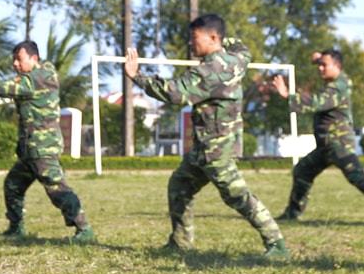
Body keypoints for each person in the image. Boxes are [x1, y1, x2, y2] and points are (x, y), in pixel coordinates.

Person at [124, 14, 290, 260]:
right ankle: (181, 242)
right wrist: (224, 40)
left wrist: (137, 76)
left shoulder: (208, 70)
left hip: (216, 149)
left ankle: (277, 244)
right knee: (180, 186)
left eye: (194, 38)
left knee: (238, 196)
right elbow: (242, 48)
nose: (190, 44)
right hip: (205, 148)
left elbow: (175, 93)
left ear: (212, 38)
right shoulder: (237, 59)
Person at [0, 40, 95, 244]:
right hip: (30, 150)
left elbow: (2, 86)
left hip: (42, 148)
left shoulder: (32, 81)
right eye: (13, 59)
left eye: (19, 59)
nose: (15, 64)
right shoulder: (45, 71)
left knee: (57, 189)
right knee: (13, 185)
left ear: (34, 59)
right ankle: (16, 228)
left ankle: (84, 230)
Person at [269, 49, 364, 230]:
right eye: (319, 65)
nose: (320, 68)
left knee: (358, 178)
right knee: (302, 171)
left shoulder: (339, 86)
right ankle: (292, 213)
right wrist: (319, 58)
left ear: (338, 67)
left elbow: (318, 102)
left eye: (324, 65)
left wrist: (288, 95)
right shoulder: (335, 81)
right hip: (326, 147)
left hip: (339, 145)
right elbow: (326, 66)